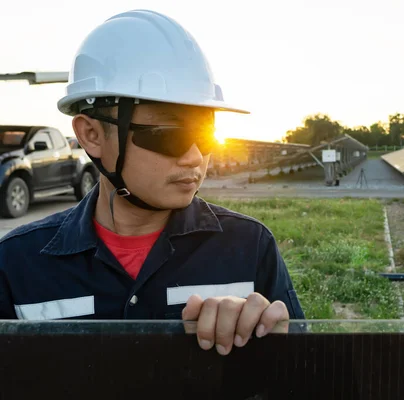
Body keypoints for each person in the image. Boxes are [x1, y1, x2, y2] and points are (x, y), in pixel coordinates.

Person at [0, 9, 305, 356]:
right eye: (166, 133)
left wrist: (278, 349)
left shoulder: (250, 249)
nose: (194, 157)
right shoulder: (16, 265)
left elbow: (307, 378)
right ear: (92, 135)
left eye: (206, 135)